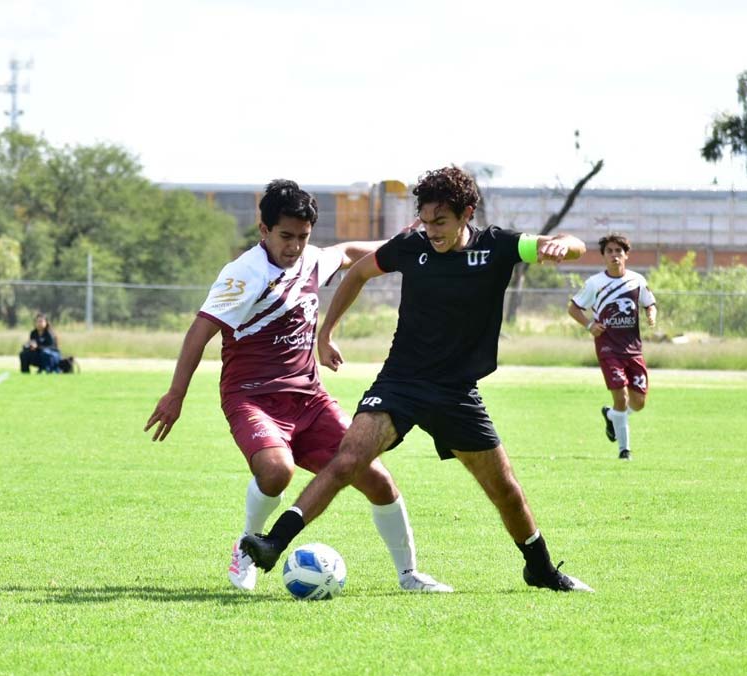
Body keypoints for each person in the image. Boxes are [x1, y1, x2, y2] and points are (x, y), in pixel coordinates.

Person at [241, 166, 594, 593]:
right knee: (348, 459)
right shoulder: (411, 246)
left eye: (440, 222)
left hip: (456, 393)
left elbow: (574, 246)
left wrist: (561, 246)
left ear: (467, 214)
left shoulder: (498, 246)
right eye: (424, 221)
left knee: (505, 491)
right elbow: (357, 273)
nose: (430, 231)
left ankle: (539, 568)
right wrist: (327, 333)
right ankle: (274, 542)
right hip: (400, 384)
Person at [144, 179, 451, 594]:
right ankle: (247, 547)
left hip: (309, 399)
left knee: (377, 478)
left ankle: (409, 574)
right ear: (263, 230)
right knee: (276, 472)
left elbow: (345, 253)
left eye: (303, 238)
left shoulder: (310, 260)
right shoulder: (242, 274)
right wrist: (175, 395)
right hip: (252, 397)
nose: (294, 247)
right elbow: (200, 333)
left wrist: (402, 243)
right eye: (285, 236)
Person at [567, 232, 657, 461]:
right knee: (622, 399)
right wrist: (589, 325)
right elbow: (574, 308)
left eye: (619, 251)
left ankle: (611, 416)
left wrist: (651, 315)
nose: (615, 255)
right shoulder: (595, 283)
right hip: (608, 349)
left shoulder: (637, 280)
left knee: (639, 403)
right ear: (604, 256)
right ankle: (624, 450)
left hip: (633, 349)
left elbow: (650, 303)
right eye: (610, 251)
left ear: (626, 255)